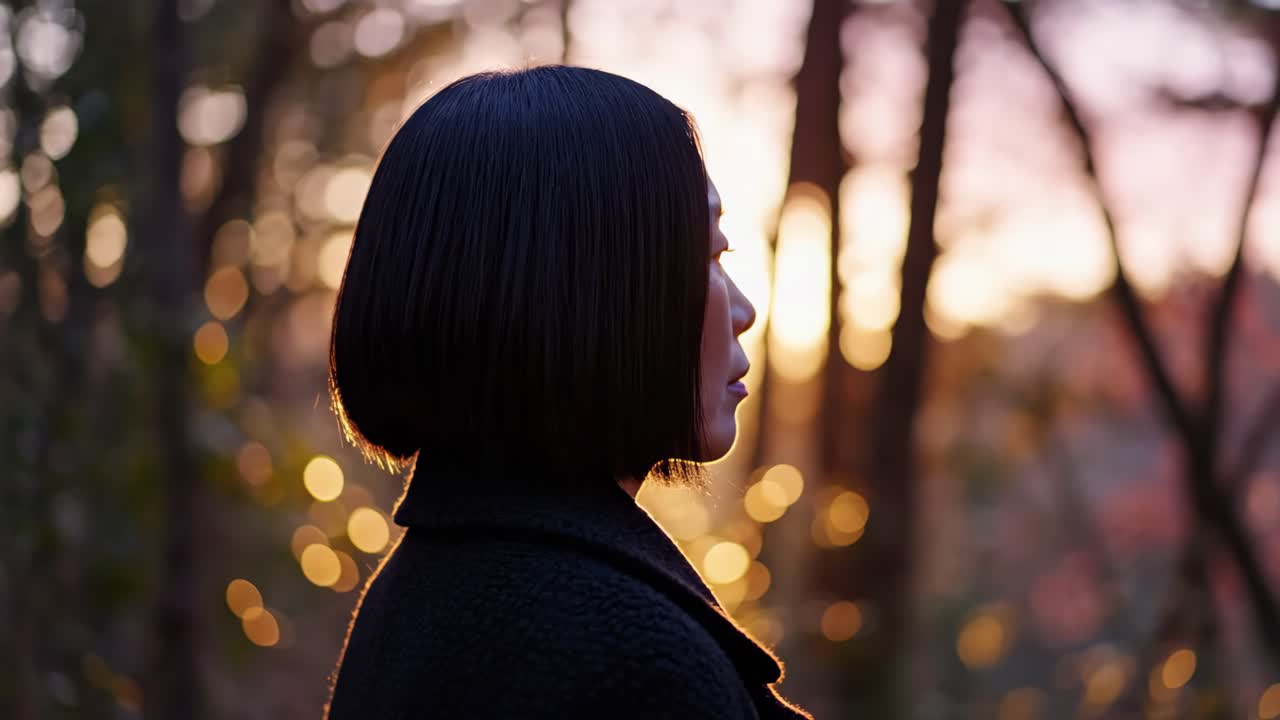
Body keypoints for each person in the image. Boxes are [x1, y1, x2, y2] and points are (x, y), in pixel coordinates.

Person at [325, 65, 810, 720]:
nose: (745, 310)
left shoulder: (417, 592)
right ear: (595, 296)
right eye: (708, 256)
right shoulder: (638, 666)